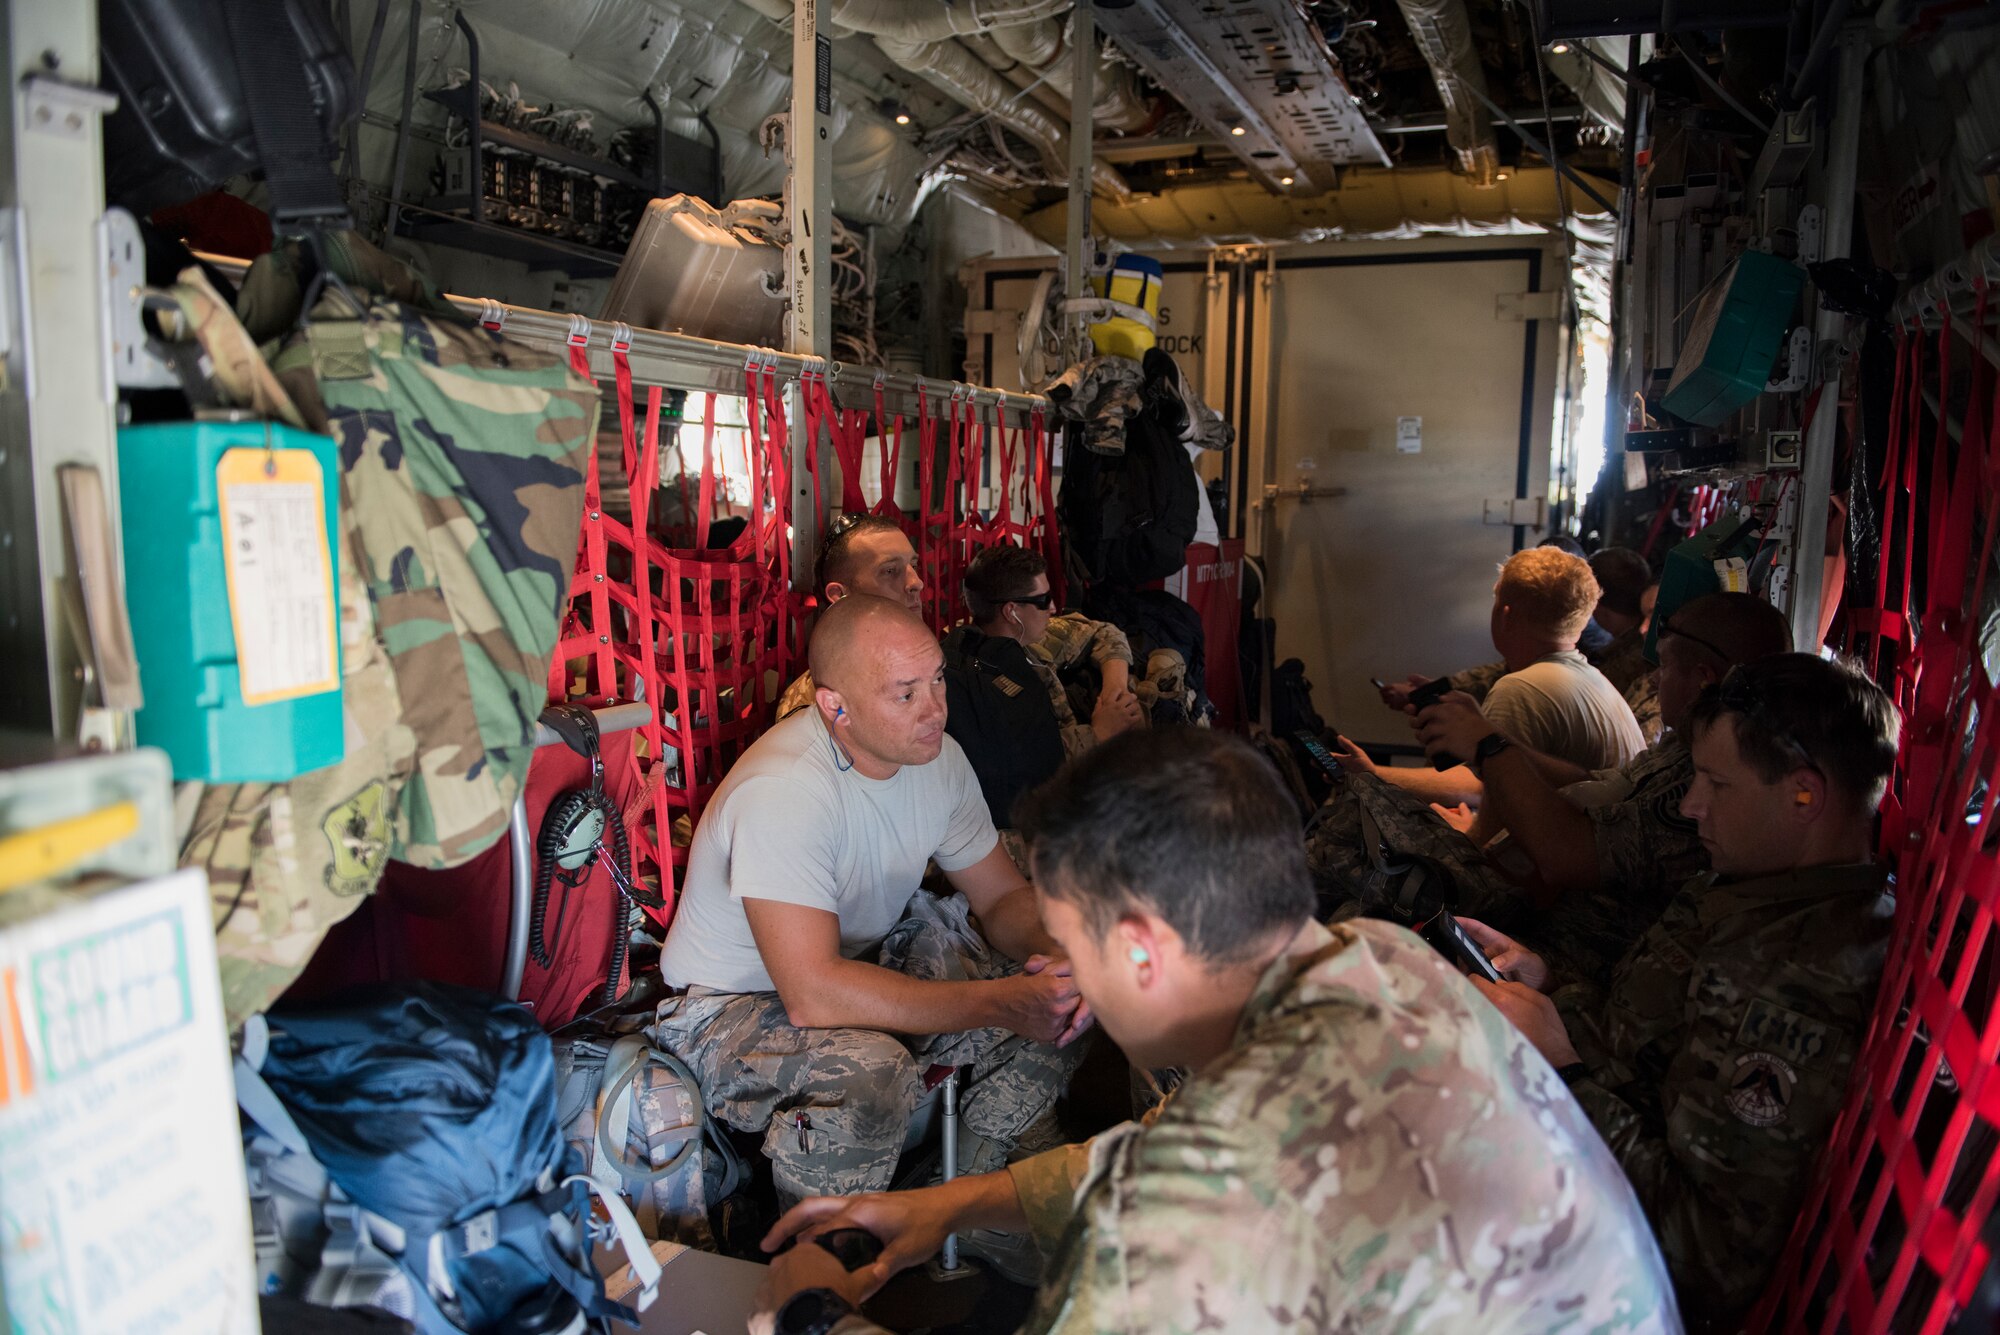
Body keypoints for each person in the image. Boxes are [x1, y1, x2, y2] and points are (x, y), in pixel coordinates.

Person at [748, 729, 1681, 1335]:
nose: (1065, 977)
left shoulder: (1177, 1219)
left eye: (1071, 945)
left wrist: (817, 1313)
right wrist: (946, 1206)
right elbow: (1170, 1149)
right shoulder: (1382, 957)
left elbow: (1187, 1180)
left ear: (1144, 950)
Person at [1466, 652, 1898, 1329]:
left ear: (1805, 795)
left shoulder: (1797, 982)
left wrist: (1565, 1072)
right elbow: (1650, 1043)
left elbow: (1704, 1258)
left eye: (1715, 784)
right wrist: (1551, 985)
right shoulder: (1755, 886)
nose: (1692, 806)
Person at [654, 595, 1091, 1224]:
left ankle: (960, 1198)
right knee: (871, 1071)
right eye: (905, 693)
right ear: (836, 707)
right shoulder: (785, 790)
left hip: (850, 966)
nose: (936, 709)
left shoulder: (937, 759)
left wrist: (1074, 957)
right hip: (725, 1007)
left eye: (938, 679)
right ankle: (818, 1262)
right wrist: (1000, 1005)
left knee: (1071, 986)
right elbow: (812, 993)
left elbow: (1002, 900)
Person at [1415, 592, 1793, 985]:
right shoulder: (1682, 748)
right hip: (1548, 952)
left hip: (1580, 972)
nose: (1655, 678)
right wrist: (1494, 739)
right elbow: (1590, 784)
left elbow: (1566, 856)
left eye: (1663, 665)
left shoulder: (1707, 780)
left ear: (1703, 680)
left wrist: (1489, 748)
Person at [1335, 547, 1645, 808]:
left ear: (1505, 615)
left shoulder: (1521, 689)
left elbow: (1477, 787)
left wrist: (1372, 773)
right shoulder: (1592, 679)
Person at [943, 546, 1143, 830]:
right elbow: (1023, 762)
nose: (1053, 608)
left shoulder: (1033, 639)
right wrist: (1099, 733)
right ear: (1012, 611)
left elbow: (1106, 633)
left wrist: (1114, 691)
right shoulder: (975, 680)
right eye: (1043, 600)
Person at [777, 515, 926, 719]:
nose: (917, 583)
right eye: (890, 571)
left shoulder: (933, 665)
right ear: (839, 595)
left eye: (914, 566)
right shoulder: (817, 706)